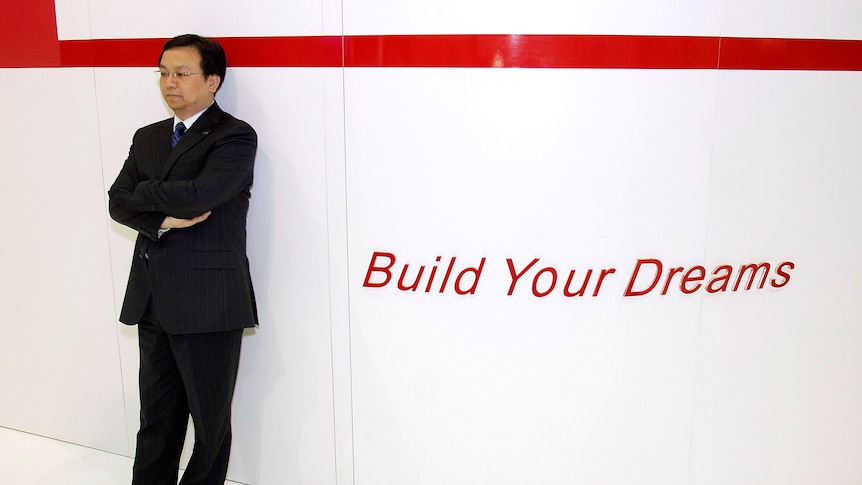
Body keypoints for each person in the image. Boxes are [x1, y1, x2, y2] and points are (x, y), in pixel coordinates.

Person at [108, 34, 258, 485]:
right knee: (156, 422)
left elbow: (203, 196)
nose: (170, 83)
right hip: (153, 300)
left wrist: (147, 195)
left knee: (209, 428)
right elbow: (118, 202)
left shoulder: (234, 136)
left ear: (213, 81)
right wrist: (164, 217)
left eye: (182, 73)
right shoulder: (148, 137)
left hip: (209, 303)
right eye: (164, 73)